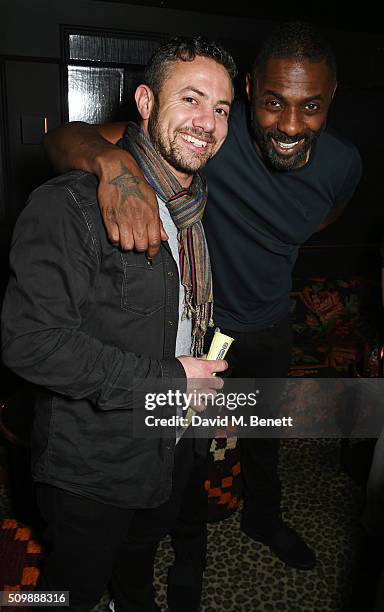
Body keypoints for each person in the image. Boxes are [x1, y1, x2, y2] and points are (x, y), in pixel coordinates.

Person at [44, 21, 362, 571]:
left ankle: (264, 517)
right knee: (184, 445)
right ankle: (188, 544)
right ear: (248, 93)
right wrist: (114, 165)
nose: (289, 124)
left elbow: (318, 223)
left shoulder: (344, 164)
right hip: (200, 328)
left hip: (269, 325)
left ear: (331, 96)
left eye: (310, 106)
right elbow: (60, 139)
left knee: (265, 436)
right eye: (271, 102)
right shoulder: (210, 132)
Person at [1, 36, 236, 611]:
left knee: (138, 559)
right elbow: (29, 343)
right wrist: (166, 380)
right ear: (147, 102)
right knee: (71, 588)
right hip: (92, 462)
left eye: (222, 108)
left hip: (172, 443)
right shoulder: (73, 204)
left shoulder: (193, 206)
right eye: (191, 99)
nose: (207, 122)